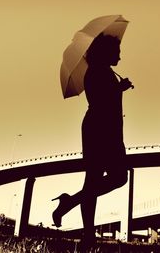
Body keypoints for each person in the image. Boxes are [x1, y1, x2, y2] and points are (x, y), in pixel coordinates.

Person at [52, 34, 133, 250]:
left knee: (100, 181)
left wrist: (119, 88)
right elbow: (99, 101)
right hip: (100, 130)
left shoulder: (104, 71)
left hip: (108, 131)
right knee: (113, 178)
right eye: (117, 52)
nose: (120, 57)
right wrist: (119, 89)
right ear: (106, 52)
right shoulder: (96, 71)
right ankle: (87, 234)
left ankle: (73, 210)